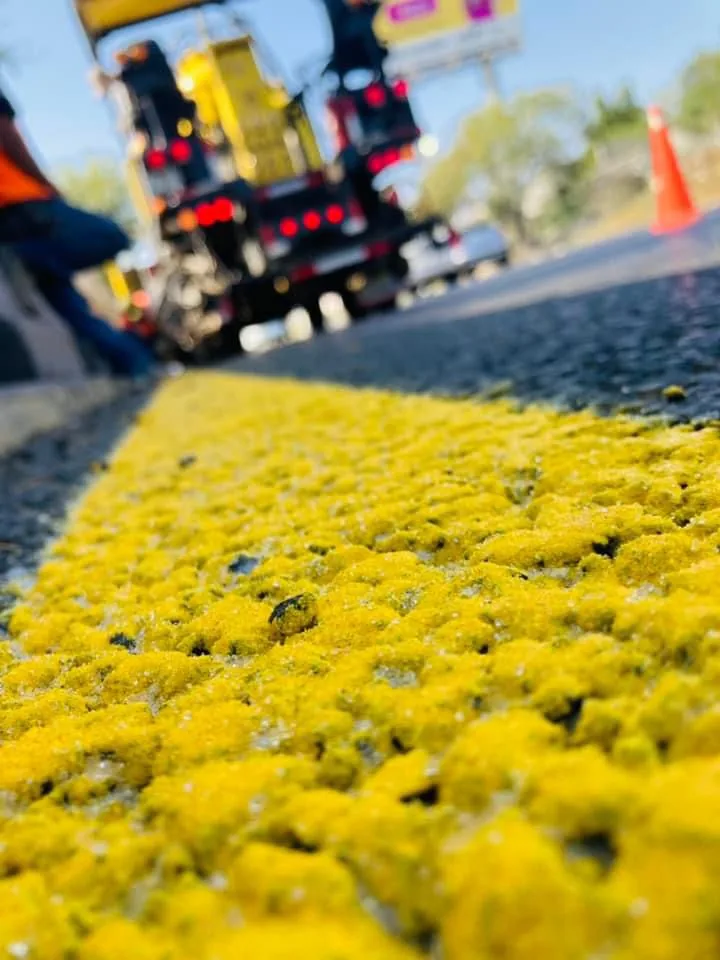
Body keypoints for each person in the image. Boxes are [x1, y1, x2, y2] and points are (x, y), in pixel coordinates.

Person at [0, 80, 155, 377]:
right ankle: (28, 259)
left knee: (70, 306)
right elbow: (6, 133)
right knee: (112, 236)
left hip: (11, 221)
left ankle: (136, 365)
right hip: (21, 205)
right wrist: (47, 187)